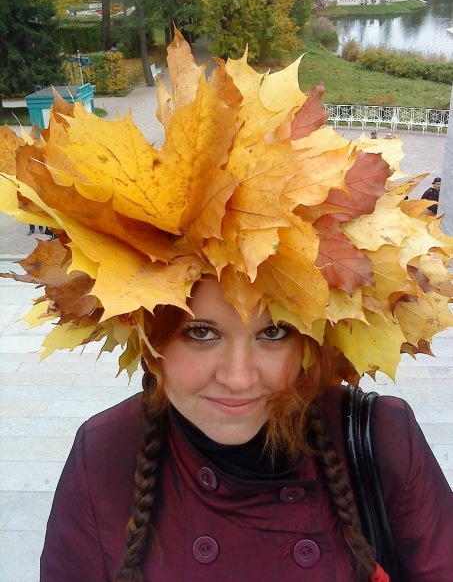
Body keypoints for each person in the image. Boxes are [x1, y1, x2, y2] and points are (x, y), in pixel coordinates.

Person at [1, 31, 452, 582]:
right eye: (201, 333)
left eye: (273, 333)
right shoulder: (104, 460)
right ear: (148, 335)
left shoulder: (381, 442)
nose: (238, 379)